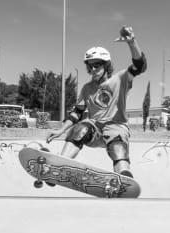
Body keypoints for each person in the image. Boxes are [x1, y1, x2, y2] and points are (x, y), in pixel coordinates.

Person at [46, 25, 147, 178]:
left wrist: (132, 43)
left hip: (116, 127)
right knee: (80, 128)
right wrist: (61, 130)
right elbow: (76, 113)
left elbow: (139, 66)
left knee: (117, 146)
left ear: (106, 65)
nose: (92, 69)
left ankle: (124, 176)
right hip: (95, 130)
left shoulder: (120, 79)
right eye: (89, 66)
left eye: (97, 65)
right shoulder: (87, 88)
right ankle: (61, 166)